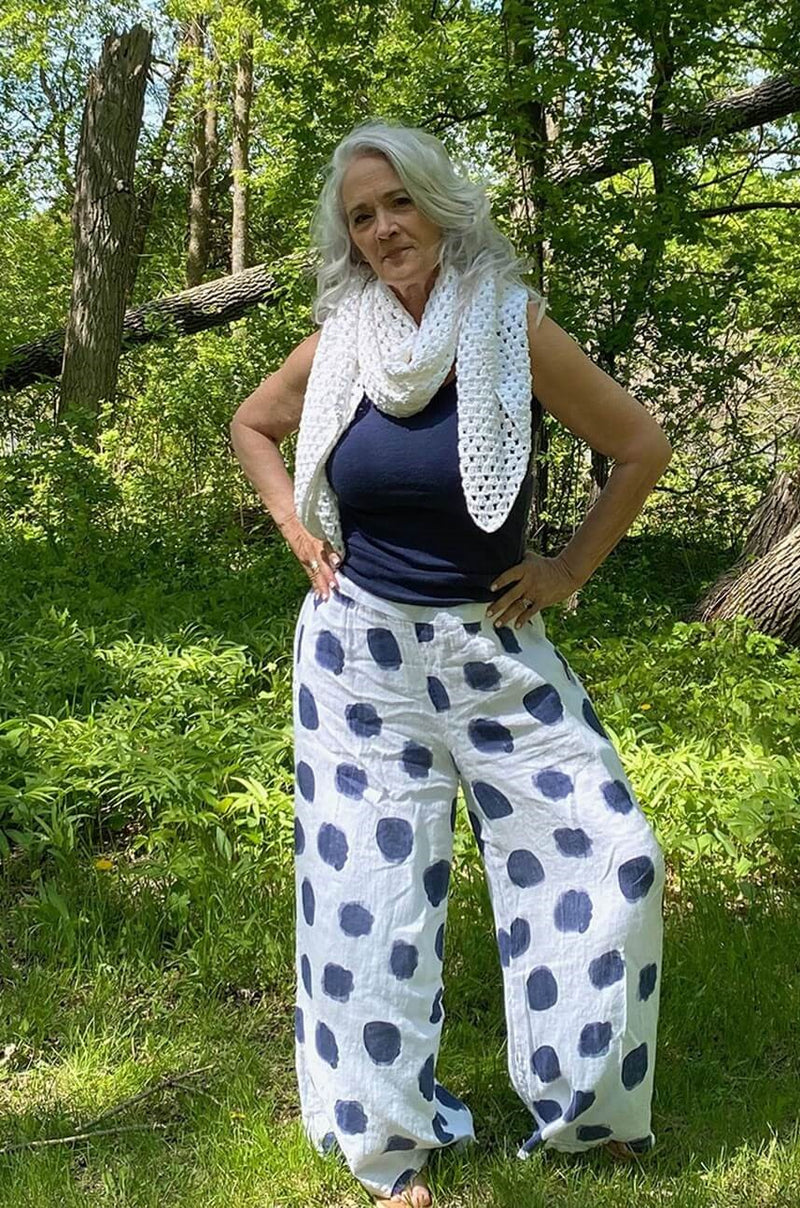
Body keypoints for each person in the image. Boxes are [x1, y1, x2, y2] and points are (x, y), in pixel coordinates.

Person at [230, 117, 672, 1208]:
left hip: (492, 646)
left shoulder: (511, 324)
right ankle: (388, 1145)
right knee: (366, 901)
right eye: (361, 216)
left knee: (608, 854)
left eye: (398, 203)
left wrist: (567, 567)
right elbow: (252, 425)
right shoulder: (342, 339)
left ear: (439, 204)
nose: (384, 228)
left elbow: (638, 445)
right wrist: (293, 524)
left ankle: (587, 1106)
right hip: (358, 658)